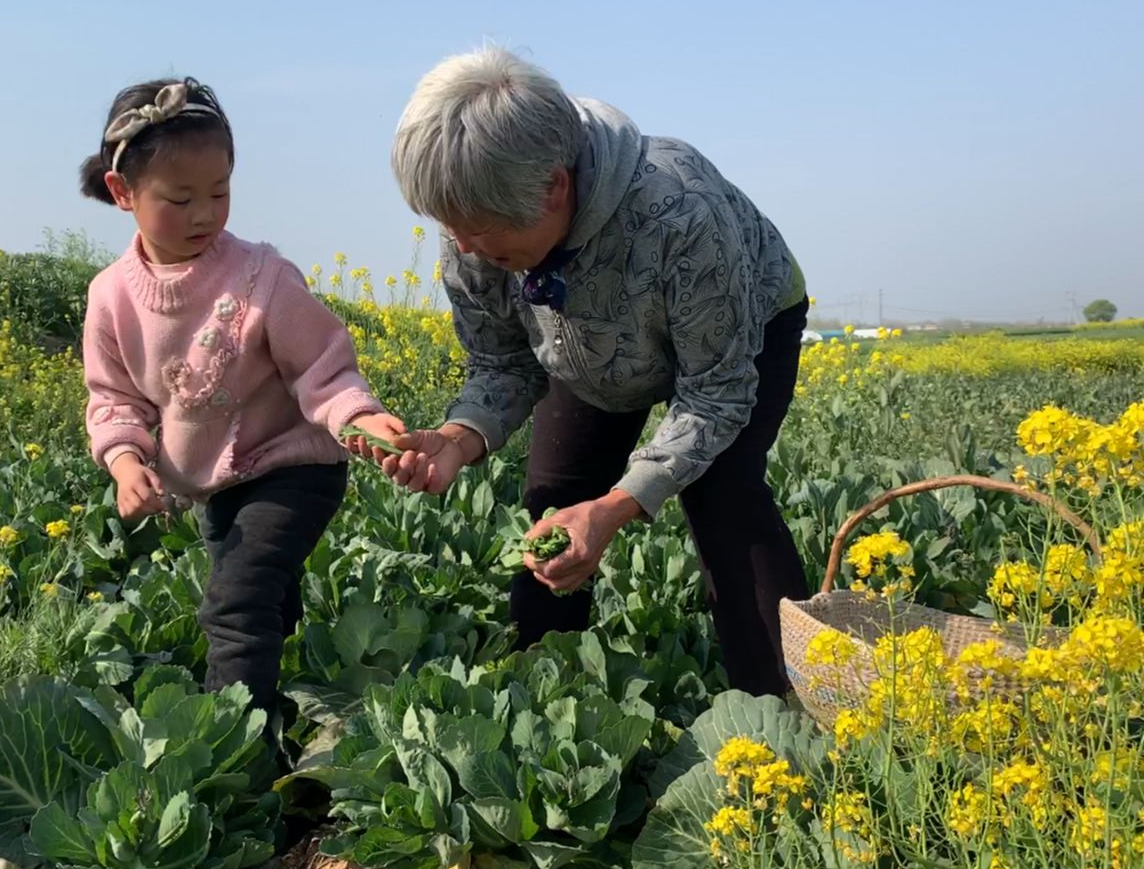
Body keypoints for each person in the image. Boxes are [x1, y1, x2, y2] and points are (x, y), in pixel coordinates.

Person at [382, 48, 811, 697]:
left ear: (554, 186)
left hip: (743, 327)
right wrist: (458, 436)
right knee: (552, 512)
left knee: (724, 499)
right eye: (451, 227)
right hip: (592, 355)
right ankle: (543, 707)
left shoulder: (678, 212)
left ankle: (797, 711)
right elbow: (502, 361)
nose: (464, 247)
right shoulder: (472, 216)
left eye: (481, 231)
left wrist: (615, 507)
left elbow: (716, 395)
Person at [77, 77, 404, 712]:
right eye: (180, 198)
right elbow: (114, 399)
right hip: (214, 483)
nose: (204, 212)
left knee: (234, 602)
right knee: (261, 595)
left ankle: (231, 747)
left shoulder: (263, 278)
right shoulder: (110, 297)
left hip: (294, 466)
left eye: (220, 192)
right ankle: (292, 703)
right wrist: (125, 462)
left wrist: (362, 420)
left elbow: (324, 371)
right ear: (123, 193)